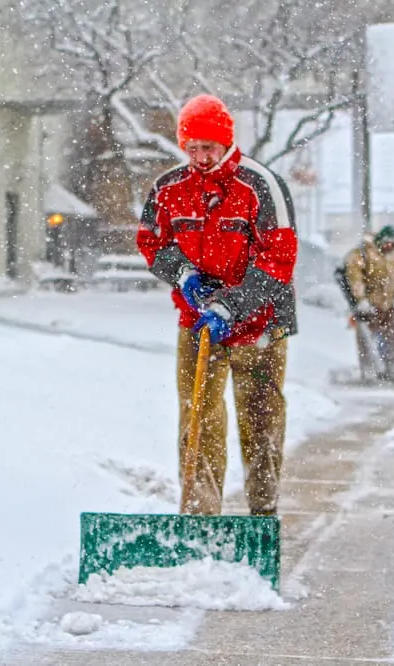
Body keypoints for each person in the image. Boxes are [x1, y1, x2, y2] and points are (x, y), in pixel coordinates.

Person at [136, 94, 298, 517]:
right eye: (192, 148)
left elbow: (278, 257)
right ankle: (200, 515)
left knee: (260, 416)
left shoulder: (261, 185)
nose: (201, 157)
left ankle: (263, 511)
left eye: (209, 147)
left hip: (261, 320)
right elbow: (153, 241)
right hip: (198, 320)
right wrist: (183, 274)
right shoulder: (169, 188)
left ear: (226, 142)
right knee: (197, 418)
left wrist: (233, 304)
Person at [342, 225, 394, 381]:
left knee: (392, 338)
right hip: (369, 307)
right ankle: (369, 371)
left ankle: (391, 370)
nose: (389, 247)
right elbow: (354, 277)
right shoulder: (362, 254)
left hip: (389, 305)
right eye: (387, 244)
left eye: (393, 245)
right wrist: (361, 300)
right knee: (366, 340)